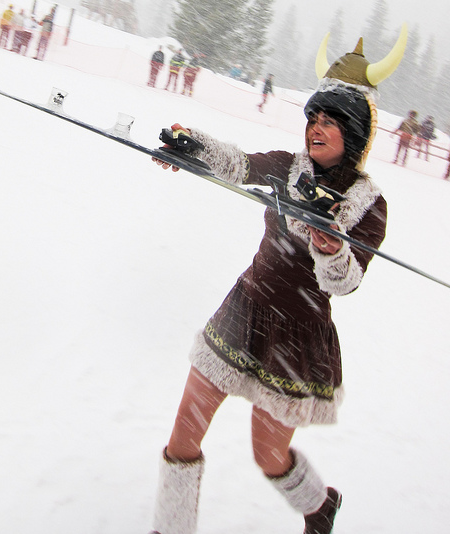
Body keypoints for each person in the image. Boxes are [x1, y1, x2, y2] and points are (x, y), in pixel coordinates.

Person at [148, 29, 407, 534]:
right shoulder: (290, 168)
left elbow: (345, 282)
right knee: (184, 433)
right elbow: (241, 164)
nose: (316, 128)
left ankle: (319, 505)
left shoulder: (368, 205)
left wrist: (329, 247)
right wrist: (192, 147)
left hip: (298, 335)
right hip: (245, 309)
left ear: (354, 132)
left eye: (330, 121)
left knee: (268, 455)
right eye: (313, 117)